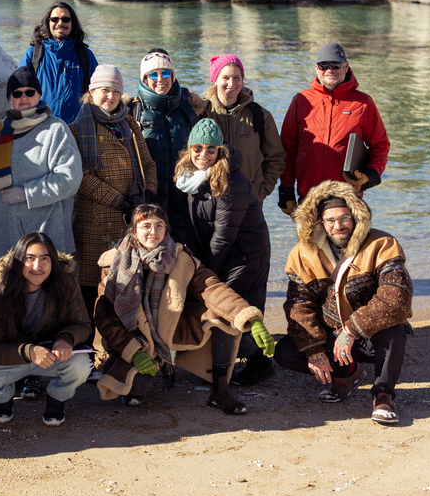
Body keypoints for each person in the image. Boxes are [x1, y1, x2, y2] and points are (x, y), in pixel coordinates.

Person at [94, 204, 275, 414]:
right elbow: (105, 316)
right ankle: (145, 365)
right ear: (134, 230)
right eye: (146, 226)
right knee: (135, 391)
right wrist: (133, 352)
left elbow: (212, 288)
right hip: (137, 339)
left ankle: (220, 390)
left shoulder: (181, 257)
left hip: (172, 331)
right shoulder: (114, 263)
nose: (154, 232)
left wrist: (251, 318)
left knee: (222, 316)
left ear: (166, 229)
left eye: (159, 226)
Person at [274, 181, 412, 424]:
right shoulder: (301, 253)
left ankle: (383, 395)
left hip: (369, 334)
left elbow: (396, 299)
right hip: (332, 333)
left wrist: (352, 329)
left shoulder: (382, 244)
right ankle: (347, 374)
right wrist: (314, 348)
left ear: (356, 217)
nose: (338, 225)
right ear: (320, 222)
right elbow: (299, 306)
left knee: (395, 331)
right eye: (330, 220)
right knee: (285, 352)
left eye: (344, 218)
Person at [174, 120, 276, 386]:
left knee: (227, 308)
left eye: (211, 149)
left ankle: (258, 364)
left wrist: (204, 275)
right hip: (224, 252)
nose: (203, 155)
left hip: (244, 254)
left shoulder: (232, 182)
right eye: (197, 148)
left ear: (220, 151)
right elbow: (192, 227)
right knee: (218, 307)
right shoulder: (190, 178)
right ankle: (220, 365)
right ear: (189, 149)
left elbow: (223, 236)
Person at [0, 233, 93, 426]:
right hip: (14, 357)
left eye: (45, 259)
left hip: (52, 355)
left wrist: (66, 338)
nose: (37, 266)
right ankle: (3, 399)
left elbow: (83, 325)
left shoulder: (66, 284)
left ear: (53, 262)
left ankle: (56, 398)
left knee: (81, 366)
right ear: (18, 262)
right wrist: (29, 351)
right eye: (30, 258)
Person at [0, 67, 82, 268]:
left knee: (45, 298)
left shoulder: (56, 130)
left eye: (30, 92)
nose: (24, 97)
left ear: (39, 94)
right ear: (9, 98)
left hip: (45, 239)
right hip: (1, 241)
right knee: (6, 297)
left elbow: (69, 179)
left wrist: (26, 193)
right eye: (17, 93)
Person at [71, 64, 157, 317]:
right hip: (94, 218)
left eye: (116, 92)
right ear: (91, 92)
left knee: (125, 278)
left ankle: (121, 339)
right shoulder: (77, 128)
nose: (110, 97)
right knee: (91, 282)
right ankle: (86, 343)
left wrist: (149, 194)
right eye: (104, 90)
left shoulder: (129, 125)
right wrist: (117, 199)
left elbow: (148, 163)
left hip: (131, 215)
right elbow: (81, 176)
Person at [278, 43, 390, 216]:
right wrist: (285, 188)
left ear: (345, 66)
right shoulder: (301, 100)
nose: (329, 70)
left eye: (335, 65)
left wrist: (370, 176)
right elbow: (287, 147)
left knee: (347, 243)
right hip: (308, 196)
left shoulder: (364, 103)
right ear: (317, 68)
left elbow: (380, 145)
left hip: (347, 198)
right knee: (310, 244)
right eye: (324, 65)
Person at [133, 49, 204, 244]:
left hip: (186, 198)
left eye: (165, 73)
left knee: (186, 258)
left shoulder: (189, 108)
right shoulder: (134, 110)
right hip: (151, 200)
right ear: (144, 78)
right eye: (153, 74)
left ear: (172, 76)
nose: (160, 79)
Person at [202, 54, 285, 203]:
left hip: (250, 199)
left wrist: (262, 190)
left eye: (237, 78)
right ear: (215, 80)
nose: (231, 83)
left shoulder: (260, 115)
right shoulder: (200, 112)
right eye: (225, 77)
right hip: (209, 199)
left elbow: (275, 157)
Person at [18, 1, 99, 124]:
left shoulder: (86, 56)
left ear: (72, 24)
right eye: (55, 19)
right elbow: (19, 93)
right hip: (41, 127)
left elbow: (98, 91)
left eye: (65, 19)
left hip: (76, 128)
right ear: (48, 22)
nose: (60, 23)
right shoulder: (33, 55)